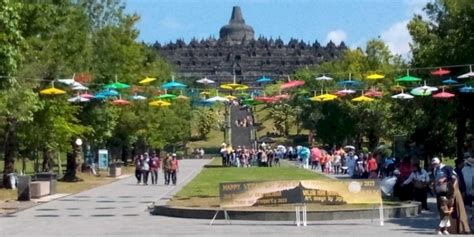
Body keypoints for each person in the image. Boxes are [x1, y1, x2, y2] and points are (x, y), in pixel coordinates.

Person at [432, 157, 471, 234]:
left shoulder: (447, 168)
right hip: (441, 192)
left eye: (435, 163)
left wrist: (444, 180)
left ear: (439, 162)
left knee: (446, 212)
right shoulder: (435, 170)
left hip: (448, 193)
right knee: (444, 212)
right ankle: (445, 229)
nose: (433, 165)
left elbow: (453, 178)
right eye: (433, 163)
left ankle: (441, 229)